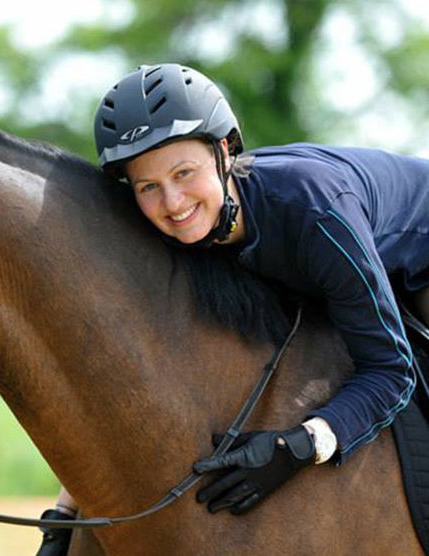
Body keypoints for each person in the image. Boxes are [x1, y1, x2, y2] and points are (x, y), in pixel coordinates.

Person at [35, 63, 429, 556]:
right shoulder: (176, 230)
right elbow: (126, 384)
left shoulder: (314, 210)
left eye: (183, 173)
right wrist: (63, 518)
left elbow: (391, 371)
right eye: (148, 186)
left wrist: (297, 447)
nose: (173, 203)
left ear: (223, 153)